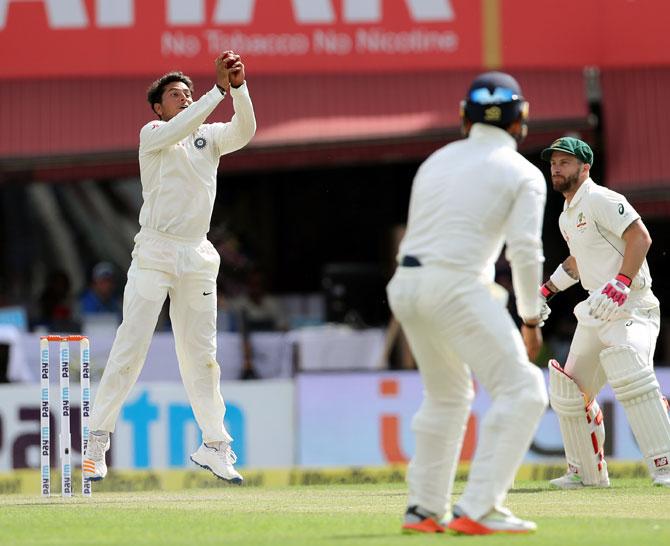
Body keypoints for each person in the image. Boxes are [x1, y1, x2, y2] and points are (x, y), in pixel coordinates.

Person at [82, 50, 256, 484]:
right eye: (176, 95)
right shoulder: (154, 133)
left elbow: (246, 130)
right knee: (131, 345)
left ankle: (215, 444)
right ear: (158, 107)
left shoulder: (209, 136)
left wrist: (238, 88)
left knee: (202, 355)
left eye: (188, 93)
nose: (184, 98)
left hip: (196, 254)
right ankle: (97, 440)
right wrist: (215, 92)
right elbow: (183, 124)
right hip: (155, 252)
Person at [386, 72, 548, 535]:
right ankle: (479, 508)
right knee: (524, 390)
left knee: (448, 396)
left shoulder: (437, 159)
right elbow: (525, 252)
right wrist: (531, 319)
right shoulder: (522, 173)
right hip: (454, 286)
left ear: (463, 117)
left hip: (406, 285)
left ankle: (423, 508)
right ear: (521, 119)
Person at [539, 137, 670, 488]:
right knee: (570, 392)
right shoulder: (567, 216)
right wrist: (547, 290)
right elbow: (579, 262)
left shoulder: (602, 198)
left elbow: (640, 238)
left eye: (565, 162)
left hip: (632, 305)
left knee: (630, 371)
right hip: (597, 309)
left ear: (585, 167)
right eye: (554, 162)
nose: (556, 167)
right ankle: (586, 474)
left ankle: (666, 466)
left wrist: (623, 281)